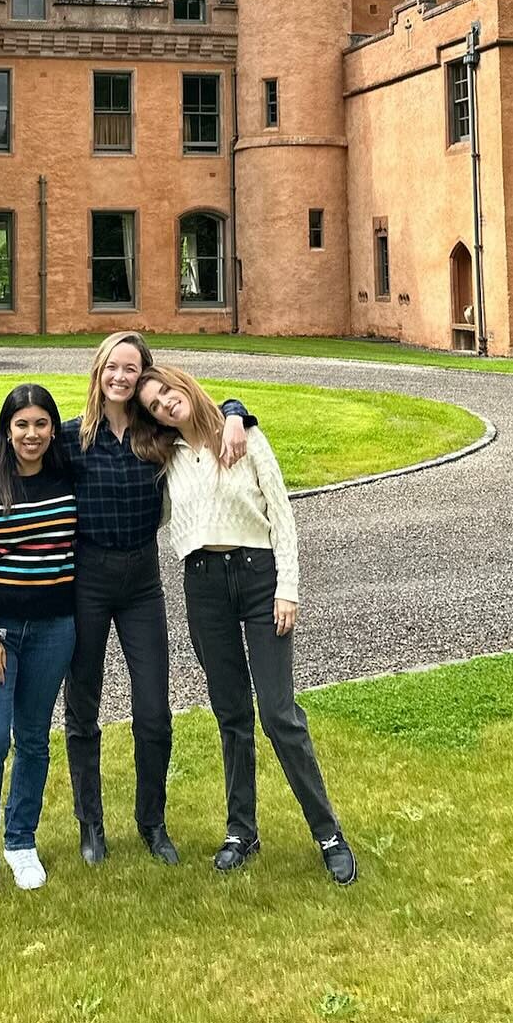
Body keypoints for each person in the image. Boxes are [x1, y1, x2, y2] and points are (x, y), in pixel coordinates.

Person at [0, 332, 251, 867]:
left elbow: (202, 411)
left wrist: (236, 414)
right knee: (83, 706)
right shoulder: (72, 439)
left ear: (143, 376)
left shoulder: (157, 435)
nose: (120, 377)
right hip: (86, 581)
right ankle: (90, 823)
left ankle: (152, 821)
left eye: (131, 369)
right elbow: (17, 446)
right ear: (98, 371)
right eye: (112, 366)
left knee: (154, 710)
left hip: (142, 582)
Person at [137, 361, 358, 885]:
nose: (164, 404)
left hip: (260, 579)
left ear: (182, 382)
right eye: (153, 406)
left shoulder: (244, 435)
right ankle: (242, 831)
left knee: (279, 713)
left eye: (166, 391)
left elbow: (282, 515)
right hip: (203, 584)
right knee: (231, 712)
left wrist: (288, 588)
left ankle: (328, 833)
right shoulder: (166, 459)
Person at [0, 383, 78, 911]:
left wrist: (236, 414)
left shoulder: (68, 470)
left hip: (54, 630)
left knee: (33, 740)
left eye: (41, 423)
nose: (32, 434)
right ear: (7, 429)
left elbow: (108, 421)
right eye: (22, 424)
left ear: (53, 427)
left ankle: (21, 842)